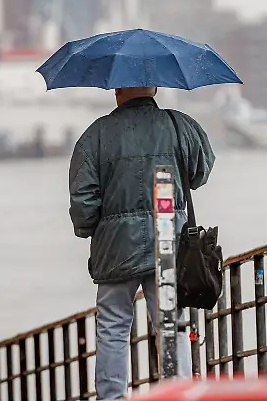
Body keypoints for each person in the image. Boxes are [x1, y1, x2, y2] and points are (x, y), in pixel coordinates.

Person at [68, 86, 215, 400]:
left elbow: (83, 201)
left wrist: (95, 228)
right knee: (170, 323)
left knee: (113, 325)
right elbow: (200, 172)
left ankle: (111, 397)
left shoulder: (95, 136)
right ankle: (180, 394)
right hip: (169, 241)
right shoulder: (180, 125)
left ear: (117, 89)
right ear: (156, 87)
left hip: (115, 248)